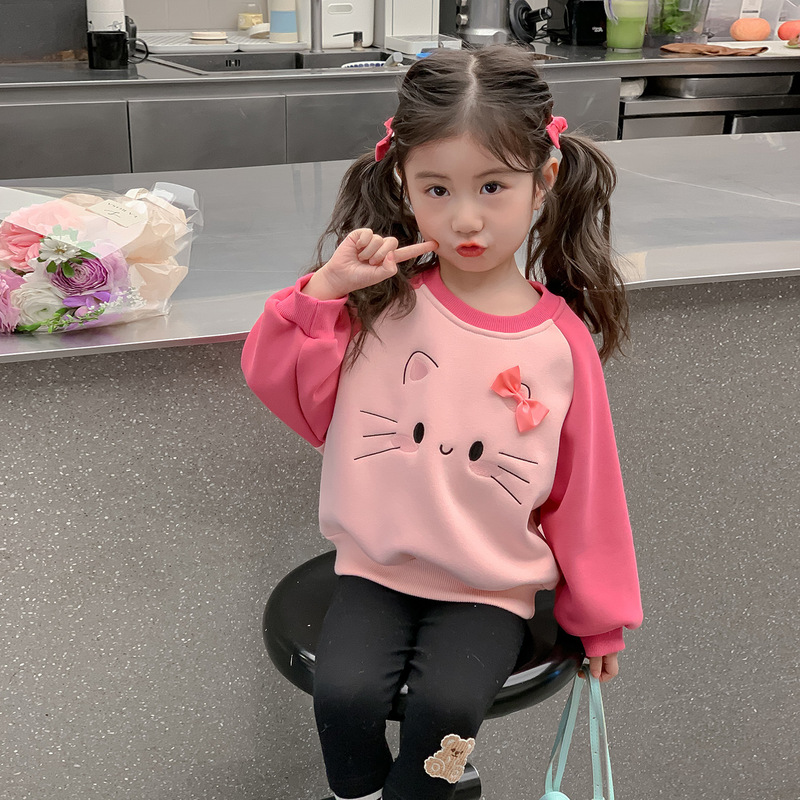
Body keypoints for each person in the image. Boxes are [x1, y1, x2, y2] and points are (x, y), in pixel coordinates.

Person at [242, 44, 643, 800]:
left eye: (493, 186)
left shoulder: (559, 345)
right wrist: (324, 292)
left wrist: (601, 617)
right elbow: (288, 392)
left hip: (491, 585)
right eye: (436, 188)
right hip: (376, 567)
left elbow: (587, 495)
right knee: (343, 698)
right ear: (402, 181)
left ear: (543, 179)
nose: (465, 218)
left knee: (450, 715)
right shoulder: (380, 303)